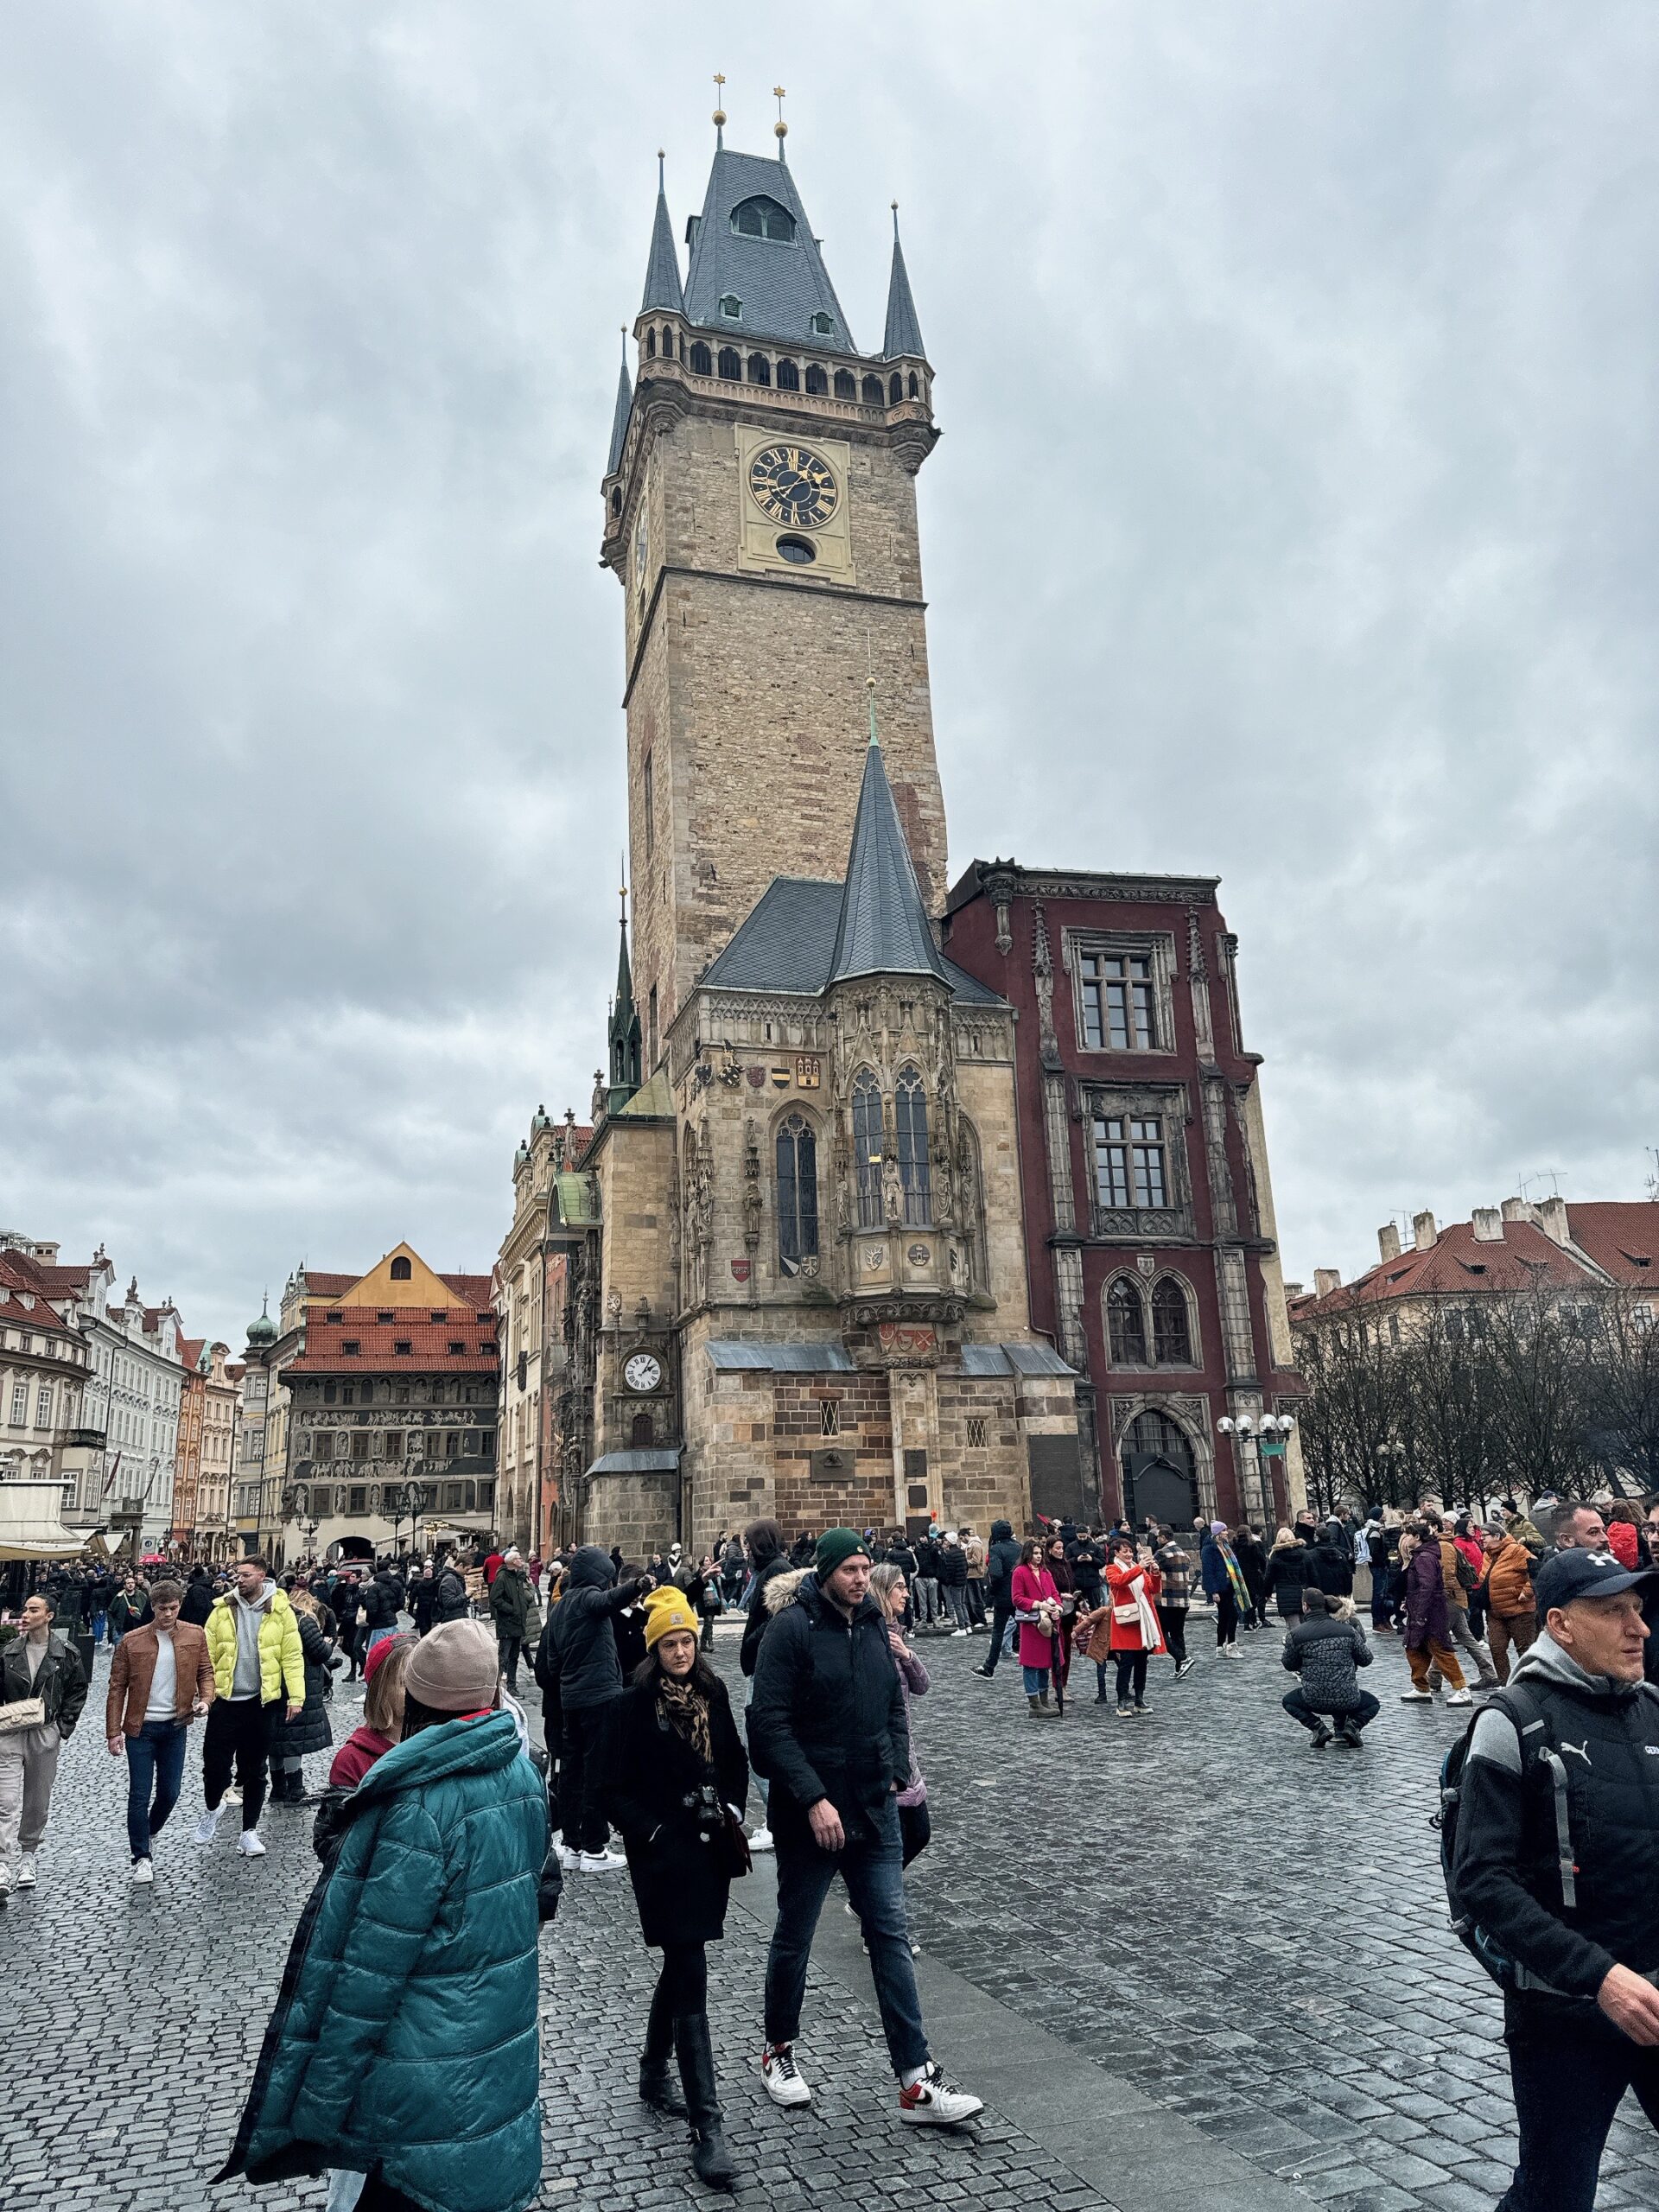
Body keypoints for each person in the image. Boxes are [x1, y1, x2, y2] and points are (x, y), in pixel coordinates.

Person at [221, 1620, 547, 2212]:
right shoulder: (521, 1772)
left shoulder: (417, 1804)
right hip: (497, 2047)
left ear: (419, 1701)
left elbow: (368, 1975)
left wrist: (317, 2103)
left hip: (420, 2077)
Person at [748, 1529, 982, 2126]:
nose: (860, 1578)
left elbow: (890, 1707)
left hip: (875, 1810)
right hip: (812, 1816)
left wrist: (897, 1770)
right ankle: (778, 2052)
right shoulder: (790, 1630)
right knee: (795, 1935)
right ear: (825, 1571)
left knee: (890, 1937)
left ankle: (916, 2081)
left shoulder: (875, 1625)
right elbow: (769, 1725)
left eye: (865, 1568)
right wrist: (812, 1798)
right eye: (849, 1569)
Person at [1451, 1549, 1659, 2211]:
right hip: (1564, 2010)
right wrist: (1599, 1977)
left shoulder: (1654, 1709)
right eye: (1613, 1611)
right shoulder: (1510, 1720)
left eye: (1638, 1609)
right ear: (1562, 1625)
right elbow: (1482, 1879)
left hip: (1657, 1997)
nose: (1639, 1628)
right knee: (1554, 2194)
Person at [603, 1586, 747, 2189]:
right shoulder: (631, 1705)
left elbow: (736, 1763)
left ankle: (652, 2068)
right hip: (663, 1856)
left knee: (683, 1961)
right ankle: (707, 2129)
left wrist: (732, 1809)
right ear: (654, 1647)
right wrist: (655, 1832)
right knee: (689, 1968)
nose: (681, 1650)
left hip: (709, 1850)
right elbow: (610, 1787)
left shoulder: (713, 1695)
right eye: (670, 1642)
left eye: (687, 1640)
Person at [539, 1544, 653, 1871]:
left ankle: (572, 1845)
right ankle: (593, 1848)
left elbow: (552, 1661)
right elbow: (608, 1600)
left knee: (573, 1772)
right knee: (597, 1771)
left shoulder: (559, 1608)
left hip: (571, 1700)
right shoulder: (589, 1597)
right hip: (599, 1698)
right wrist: (636, 1585)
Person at [105, 1577, 215, 1883]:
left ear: (180, 1606)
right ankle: (141, 1855)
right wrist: (114, 1731)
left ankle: (150, 1832)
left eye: (173, 1608)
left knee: (170, 1792)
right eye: (162, 1608)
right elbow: (117, 1688)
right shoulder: (132, 1640)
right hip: (141, 1728)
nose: (168, 1614)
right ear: (152, 1607)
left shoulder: (194, 1635)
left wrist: (206, 1700)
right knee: (139, 1794)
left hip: (176, 1725)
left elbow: (206, 1671)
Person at [196, 1557, 305, 1859]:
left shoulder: (281, 1612)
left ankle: (249, 1833)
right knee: (214, 1767)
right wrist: (203, 1693)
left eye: (244, 1575)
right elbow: (205, 1654)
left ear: (261, 1576)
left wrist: (296, 1697)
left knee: (254, 1770)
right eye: (237, 1575)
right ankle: (212, 1807)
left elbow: (292, 1656)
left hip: (262, 1701)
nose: (239, 1579)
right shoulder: (222, 1609)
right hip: (226, 1700)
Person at [0, 1593, 88, 1898]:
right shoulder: (8, 1652)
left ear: (49, 1616)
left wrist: (62, 1727)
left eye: (33, 1610)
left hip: (44, 1731)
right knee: (5, 1799)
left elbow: (78, 1689)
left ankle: (28, 1855)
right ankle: (2, 1862)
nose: (25, 1614)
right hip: (9, 1732)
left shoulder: (66, 1653)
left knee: (37, 1798)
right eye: (25, 1609)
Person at [868, 1562, 930, 1954]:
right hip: (885, 1755)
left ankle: (867, 1902)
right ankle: (879, 1930)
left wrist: (906, 1653)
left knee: (918, 1833)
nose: (907, 1594)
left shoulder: (895, 1636)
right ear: (883, 1591)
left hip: (905, 1751)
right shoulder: (872, 1636)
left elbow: (922, 1685)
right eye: (900, 1588)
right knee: (891, 1846)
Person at [1280, 1592, 1378, 1748]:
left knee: (1289, 1701)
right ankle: (1352, 1726)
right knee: (1372, 1704)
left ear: (1305, 1606)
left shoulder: (1296, 1634)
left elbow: (1289, 1665)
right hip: (1348, 1698)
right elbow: (1366, 1660)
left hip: (1313, 1698)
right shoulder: (1348, 1631)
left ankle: (1317, 1727)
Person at [268, 1588, 336, 1808]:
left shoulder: (274, 1620)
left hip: (276, 1684)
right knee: (293, 1739)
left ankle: (278, 1789)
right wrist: (328, 1643)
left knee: (277, 1739)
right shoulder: (303, 1621)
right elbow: (320, 1652)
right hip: (300, 1683)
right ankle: (295, 1788)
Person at [1397, 1529, 1471, 1708]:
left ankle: (1462, 1689)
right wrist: (1410, 1603)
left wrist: (1420, 1612)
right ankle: (1421, 1687)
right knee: (1415, 1648)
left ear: (1417, 1537)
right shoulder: (1423, 1555)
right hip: (1422, 1609)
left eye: (1408, 1535)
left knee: (1440, 1648)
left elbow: (1427, 1587)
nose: (1405, 1539)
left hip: (1430, 1612)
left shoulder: (1424, 1558)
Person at [1103, 1535, 1165, 1715]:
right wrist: (1139, 1568)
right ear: (1117, 1553)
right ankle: (1122, 1701)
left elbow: (1153, 1589)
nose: (1129, 1554)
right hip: (1126, 1621)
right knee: (1126, 1663)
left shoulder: (1139, 1569)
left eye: (1130, 1551)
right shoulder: (1111, 1569)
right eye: (1125, 1552)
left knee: (1141, 1662)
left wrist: (1155, 1573)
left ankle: (1139, 1698)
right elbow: (1119, 1582)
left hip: (1142, 1621)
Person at [1480, 1521, 1540, 1687]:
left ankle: (1530, 1684)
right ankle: (1504, 1684)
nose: (1482, 1539)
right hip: (1495, 1611)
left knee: (1524, 1649)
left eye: (1485, 1536)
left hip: (1519, 1609)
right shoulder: (1487, 1554)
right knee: (1496, 1648)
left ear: (1497, 1536)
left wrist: (1526, 1592)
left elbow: (1535, 1571)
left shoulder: (1517, 1551)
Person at [1010, 1538, 1064, 1719]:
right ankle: (1034, 1704)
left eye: (1040, 1553)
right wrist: (1040, 1605)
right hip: (1032, 1624)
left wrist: (1057, 1608)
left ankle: (1044, 1700)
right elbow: (1017, 1599)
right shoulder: (1020, 1573)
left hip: (1048, 1624)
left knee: (1045, 1664)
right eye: (1035, 1553)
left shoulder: (1046, 1573)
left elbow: (1054, 1594)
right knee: (1031, 1664)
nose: (1039, 1556)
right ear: (1027, 1554)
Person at [970, 1517, 1020, 1678]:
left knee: (998, 1631)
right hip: (1020, 1595)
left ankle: (989, 1666)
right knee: (1026, 1628)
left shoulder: (996, 1549)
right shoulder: (1019, 1547)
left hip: (1003, 1597)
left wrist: (991, 1594)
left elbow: (996, 1574)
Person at [1199, 1521, 1248, 1655]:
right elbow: (1208, 1571)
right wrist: (1213, 1591)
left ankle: (1220, 1647)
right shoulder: (1209, 1549)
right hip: (1220, 1587)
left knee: (1224, 1617)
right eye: (1224, 1530)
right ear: (1217, 1534)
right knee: (1233, 1615)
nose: (1227, 1532)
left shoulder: (1226, 1546)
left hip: (1229, 1585)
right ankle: (1231, 1645)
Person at [1151, 1527, 1194, 1677]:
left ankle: (1183, 1658)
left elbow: (1150, 1569)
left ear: (1163, 1538)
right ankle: (1180, 1668)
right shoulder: (1183, 1553)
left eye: (1158, 1537)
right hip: (1183, 1600)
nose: (1157, 1540)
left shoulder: (1162, 1554)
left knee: (1161, 1633)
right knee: (1178, 1634)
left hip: (1167, 1601)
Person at [489, 1548, 534, 1692]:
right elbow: (495, 1599)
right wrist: (512, 1610)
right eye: (519, 1558)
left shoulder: (518, 1576)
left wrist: (523, 1607)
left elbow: (523, 1596)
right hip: (508, 1623)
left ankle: (512, 1687)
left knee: (514, 1656)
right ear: (513, 1562)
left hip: (518, 1622)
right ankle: (496, 1687)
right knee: (504, 1656)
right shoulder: (502, 1577)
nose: (522, 1560)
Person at [1265, 1526, 1317, 1623]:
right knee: (1306, 1624)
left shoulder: (1276, 1557)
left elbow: (1269, 1578)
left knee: (1293, 1627)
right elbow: (1313, 1575)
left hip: (1285, 1596)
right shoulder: (1304, 1554)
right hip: (1303, 1593)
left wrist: (1266, 1593)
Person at [1231, 1524, 1269, 1629]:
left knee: (1243, 1598)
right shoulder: (1252, 1545)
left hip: (1239, 1575)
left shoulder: (1234, 1545)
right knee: (1253, 1598)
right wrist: (1262, 1570)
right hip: (1252, 1574)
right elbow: (1262, 1559)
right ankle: (1249, 1622)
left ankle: (1248, 1622)